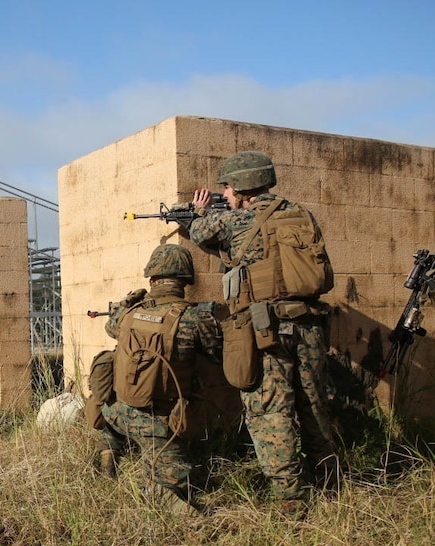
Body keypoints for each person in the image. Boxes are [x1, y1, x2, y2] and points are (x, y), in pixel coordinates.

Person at [180, 151, 339, 504]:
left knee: (271, 413)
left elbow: (200, 233)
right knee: (314, 406)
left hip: (267, 330)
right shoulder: (301, 215)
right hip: (309, 325)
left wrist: (201, 210)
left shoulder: (235, 221)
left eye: (228, 187)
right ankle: (330, 485)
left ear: (241, 186)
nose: (225, 193)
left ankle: (291, 500)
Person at [96, 243, 222, 515]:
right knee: (174, 482)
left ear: (152, 279)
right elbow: (217, 353)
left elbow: (110, 326)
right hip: (160, 424)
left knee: (111, 401)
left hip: (116, 412)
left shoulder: (126, 315)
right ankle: (176, 505)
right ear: (186, 281)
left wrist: (128, 302)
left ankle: (109, 450)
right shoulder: (194, 318)